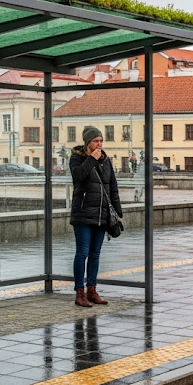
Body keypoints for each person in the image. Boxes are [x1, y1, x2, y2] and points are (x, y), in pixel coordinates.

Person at [69, 126, 123, 307]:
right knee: (82, 253)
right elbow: (78, 176)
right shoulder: (77, 158)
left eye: (101, 141)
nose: (99, 144)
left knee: (95, 254)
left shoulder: (105, 160)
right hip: (83, 213)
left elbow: (112, 187)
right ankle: (79, 293)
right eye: (95, 141)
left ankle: (92, 290)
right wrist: (91, 159)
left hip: (102, 214)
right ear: (88, 143)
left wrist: (118, 212)